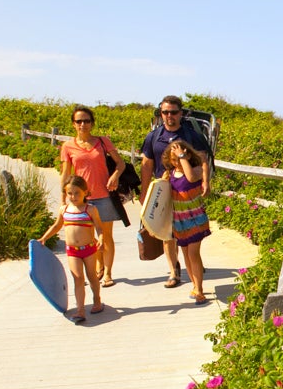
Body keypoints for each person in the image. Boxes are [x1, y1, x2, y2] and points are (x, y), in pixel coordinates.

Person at [140, 95, 213, 288]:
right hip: (163, 190)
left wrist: (206, 182)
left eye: (173, 112)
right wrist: (144, 191)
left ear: (180, 113)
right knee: (167, 234)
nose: (169, 115)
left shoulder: (192, 136)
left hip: (186, 193)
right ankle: (174, 271)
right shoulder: (153, 137)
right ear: (160, 113)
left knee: (186, 233)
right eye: (165, 112)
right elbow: (146, 165)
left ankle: (192, 268)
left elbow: (203, 160)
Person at [58, 106, 126, 288]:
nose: (83, 124)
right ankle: (98, 266)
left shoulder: (103, 142)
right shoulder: (68, 146)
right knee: (89, 238)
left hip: (104, 195)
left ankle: (108, 273)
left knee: (107, 236)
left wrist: (115, 176)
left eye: (86, 121)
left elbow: (120, 163)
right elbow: (66, 174)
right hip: (82, 199)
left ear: (92, 123)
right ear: (73, 124)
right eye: (79, 121)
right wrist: (64, 197)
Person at [38, 176, 104, 324]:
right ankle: (80, 309)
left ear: (85, 192)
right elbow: (56, 226)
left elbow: (99, 227)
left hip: (89, 249)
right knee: (78, 278)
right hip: (72, 251)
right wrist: (44, 238)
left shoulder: (91, 209)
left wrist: (100, 238)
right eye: (70, 193)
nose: (73, 197)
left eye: (77, 193)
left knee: (92, 276)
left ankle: (97, 299)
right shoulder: (64, 209)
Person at [164, 139, 211, 303]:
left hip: (195, 218)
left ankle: (199, 289)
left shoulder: (195, 170)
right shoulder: (170, 175)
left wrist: (182, 156)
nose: (177, 161)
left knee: (193, 253)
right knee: (185, 254)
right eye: (174, 158)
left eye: (180, 157)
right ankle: (195, 284)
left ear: (188, 155)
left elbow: (190, 177)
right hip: (180, 221)